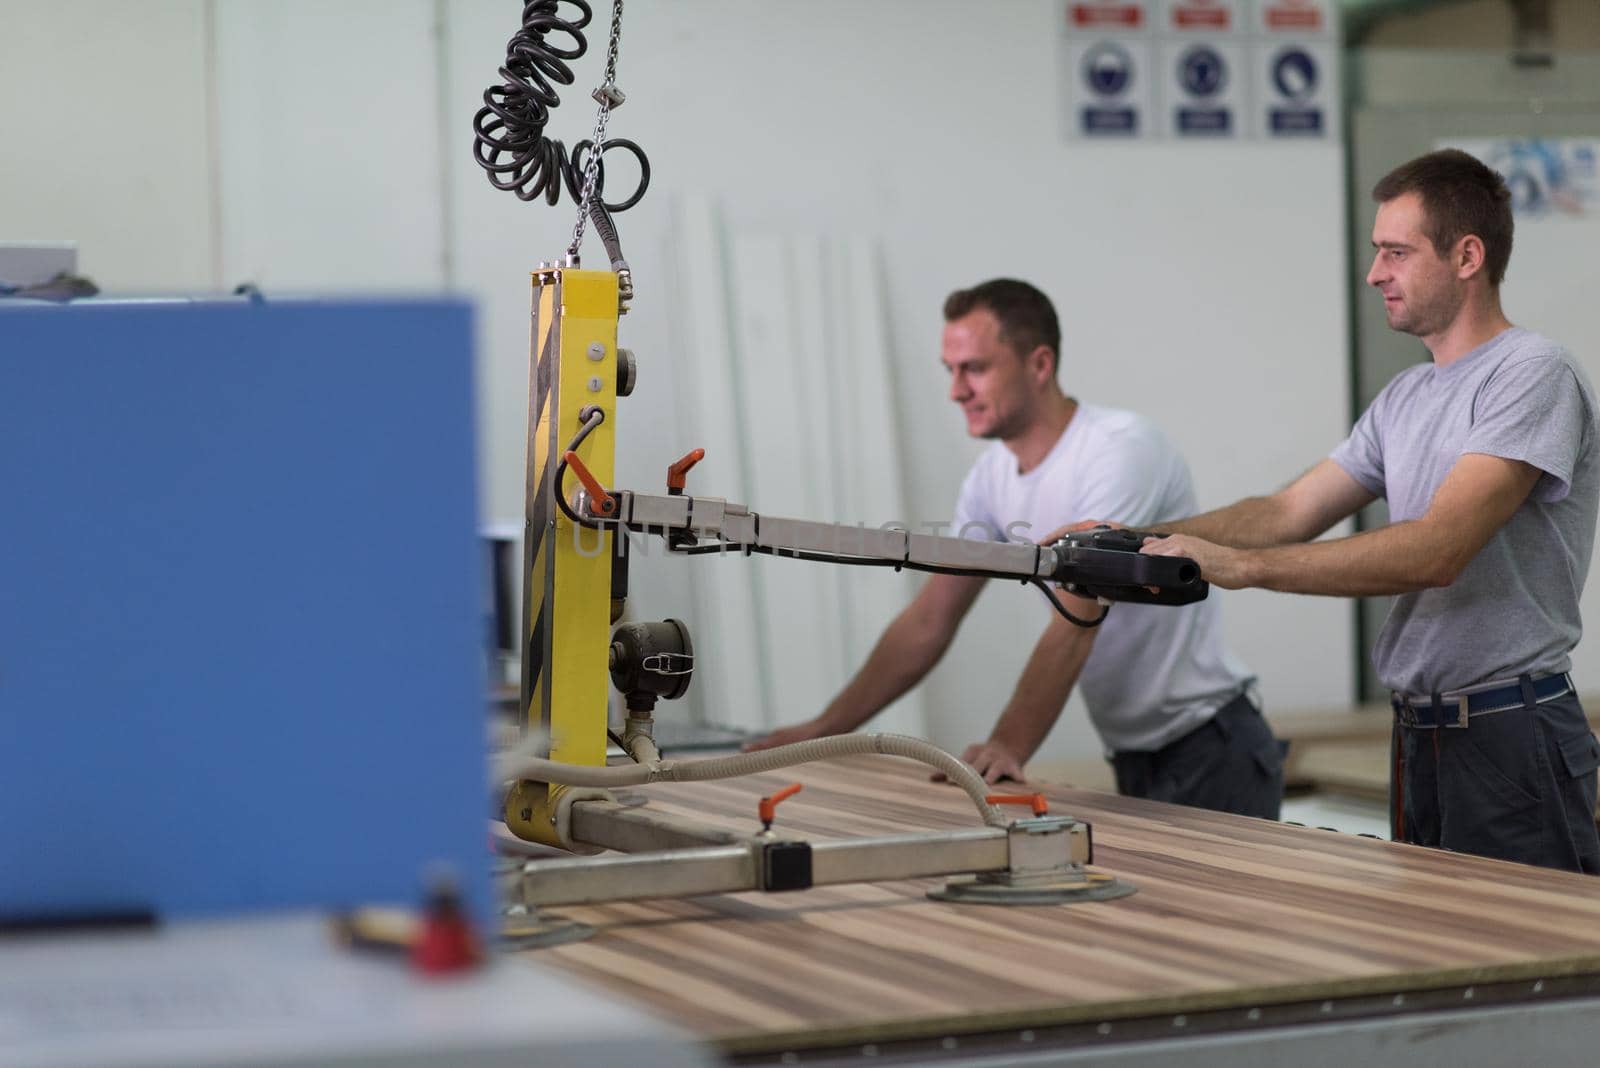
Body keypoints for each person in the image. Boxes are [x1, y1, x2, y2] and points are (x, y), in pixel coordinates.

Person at [1138, 149, 1600, 873]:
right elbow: (1290, 509)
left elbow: (1437, 550)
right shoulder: (1406, 398)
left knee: (1539, 974)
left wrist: (1241, 567)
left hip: (1511, 733)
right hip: (1420, 735)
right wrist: (1138, 540)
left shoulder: (1532, 374)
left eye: (1395, 252)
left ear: (1467, 256)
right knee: (1434, 968)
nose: (1374, 273)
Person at [744, 279, 1284, 819]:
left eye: (975, 368)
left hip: (1215, 748)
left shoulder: (1119, 449)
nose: (957, 390)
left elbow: (1079, 614)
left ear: (1039, 364)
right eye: (950, 370)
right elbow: (931, 616)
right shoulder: (990, 478)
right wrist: (825, 730)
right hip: (1134, 753)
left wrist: (1009, 744)